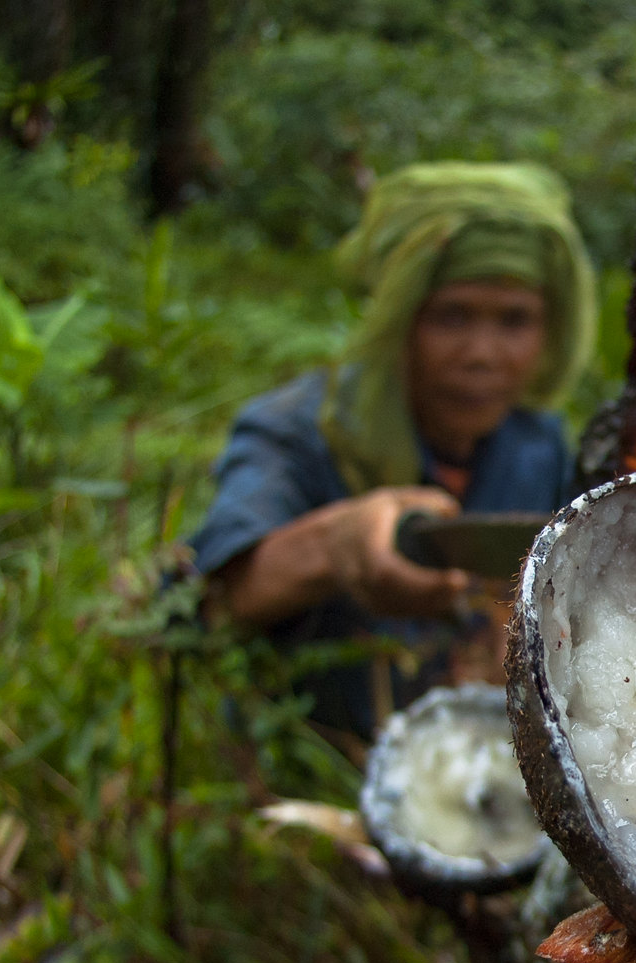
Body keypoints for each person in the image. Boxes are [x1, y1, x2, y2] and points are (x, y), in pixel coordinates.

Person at [188, 163, 595, 742]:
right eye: (452, 316)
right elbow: (217, 600)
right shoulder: (299, 432)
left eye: (515, 320)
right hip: (313, 767)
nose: (482, 353)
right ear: (400, 319)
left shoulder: (537, 445)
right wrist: (337, 548)